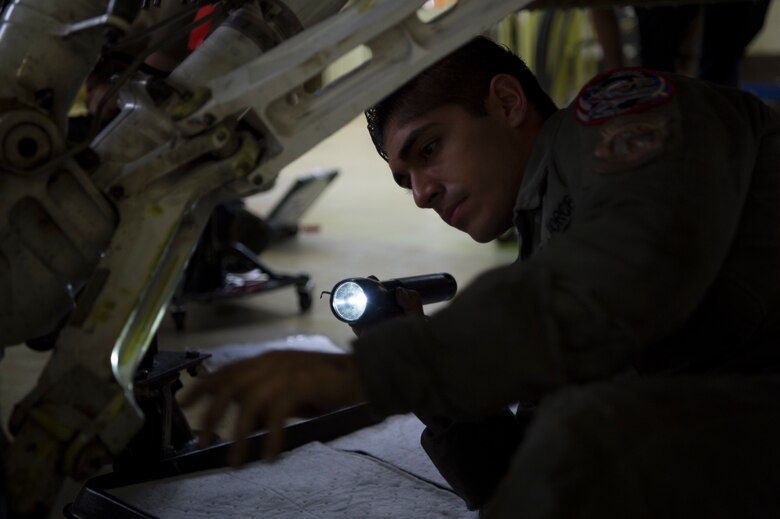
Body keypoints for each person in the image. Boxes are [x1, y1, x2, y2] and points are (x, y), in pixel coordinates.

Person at [182, 36, 780, 517]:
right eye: (405, 179)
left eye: (429, 150)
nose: (421, 194)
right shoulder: (545, 249)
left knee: (593, 437)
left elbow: (626, 273)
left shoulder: (625, 116)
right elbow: (511, 476)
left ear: (507, 102)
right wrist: (424, 383)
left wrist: (375, 370)